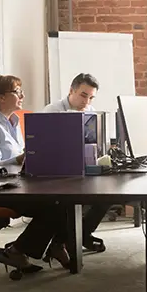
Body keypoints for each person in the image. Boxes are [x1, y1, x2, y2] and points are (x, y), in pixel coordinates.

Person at [0, 75, 70, 271]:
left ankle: (55, 245)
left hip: (10, 184)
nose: (22, 95)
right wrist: (20, 159)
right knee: (54, 206)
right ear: (1, 97)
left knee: (65, 201)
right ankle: (17, 250)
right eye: (17, 92)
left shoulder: (12, 121)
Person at [43, 73, 109, 253]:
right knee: (71, 199)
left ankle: (81, 234)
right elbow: (46, 147)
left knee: (107, 196)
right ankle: (66, 240)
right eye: (83, 95)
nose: (86, 101)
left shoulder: (90, 111)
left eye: (91, 97)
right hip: (57, 171)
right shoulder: (53, 111)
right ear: (71, 91)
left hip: (81, 167)